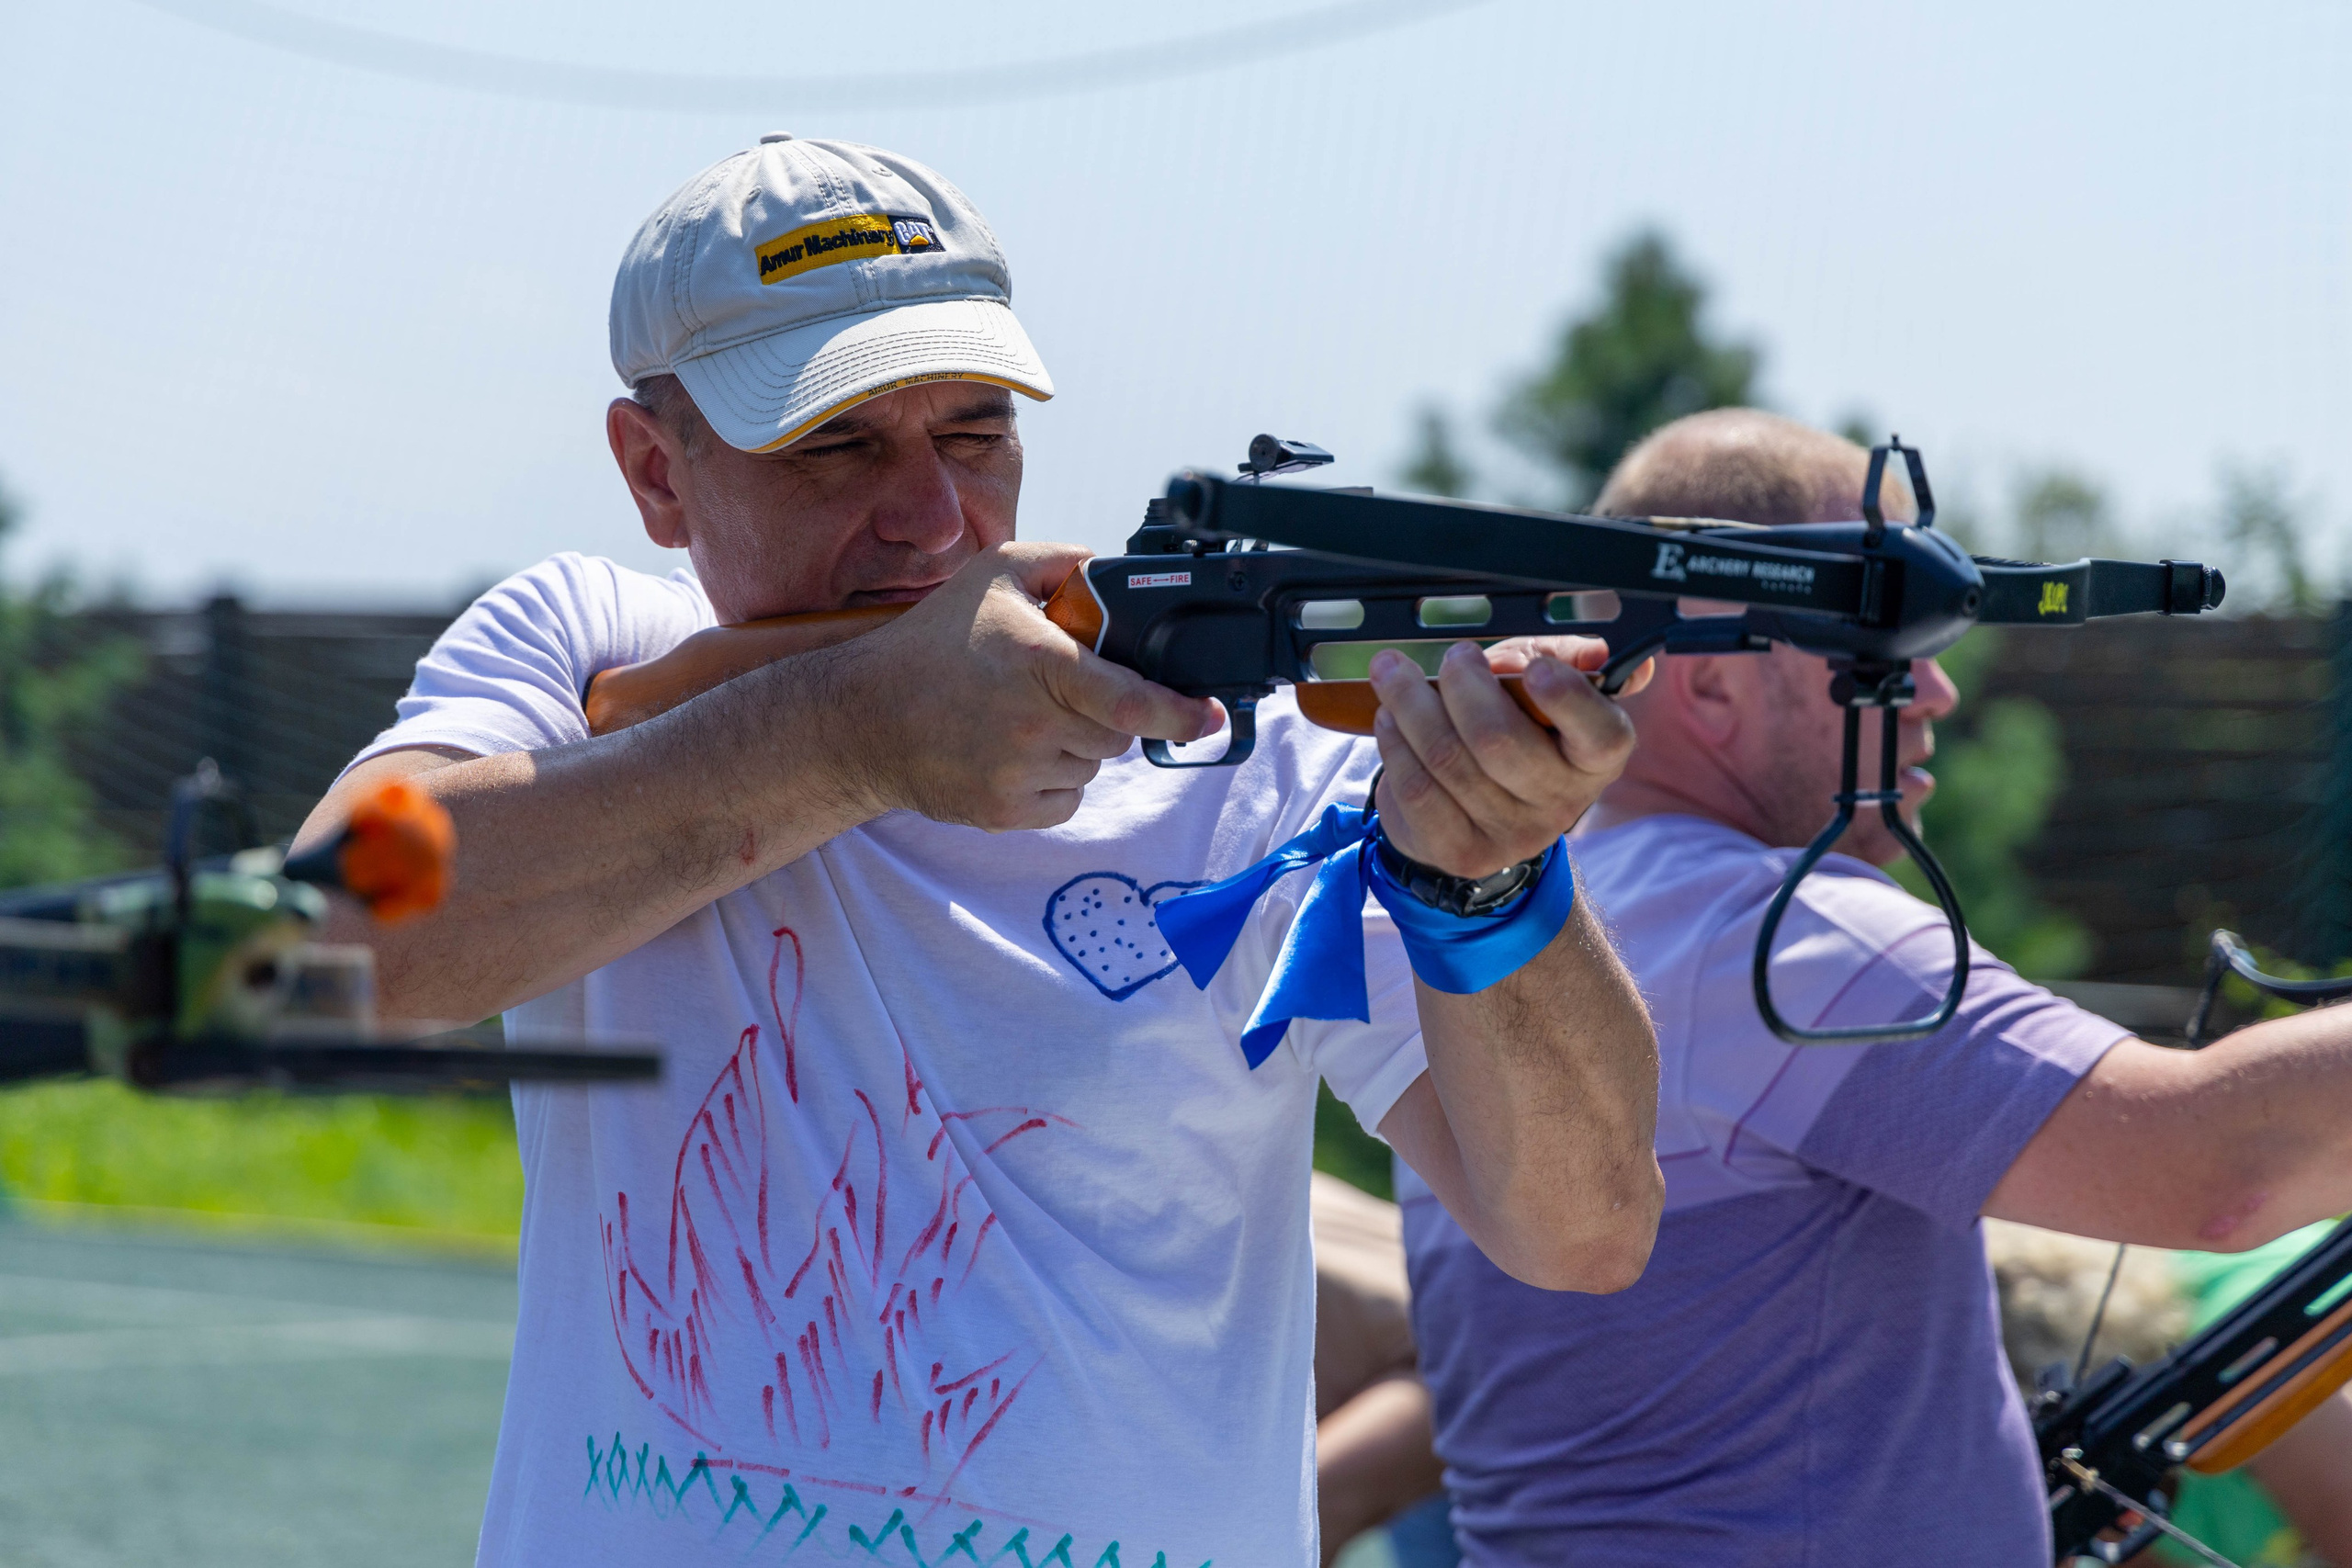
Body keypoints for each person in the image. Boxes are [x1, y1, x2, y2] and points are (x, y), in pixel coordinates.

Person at [292, 135, 1663, 1567]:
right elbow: (330, 950)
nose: (937, 517)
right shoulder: (584, 643)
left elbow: (1583, 1229)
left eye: (974, 431)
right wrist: (852, 734)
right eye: (836, 440)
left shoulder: (1249, 756)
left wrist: (1492, 880)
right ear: (656, 470)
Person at [1399, 406, 2352, 1566]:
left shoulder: (1520, 941)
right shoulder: (1771, 935)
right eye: (1894, 630)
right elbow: (2215, 1173)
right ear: (1711, 687)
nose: (1939, 690)